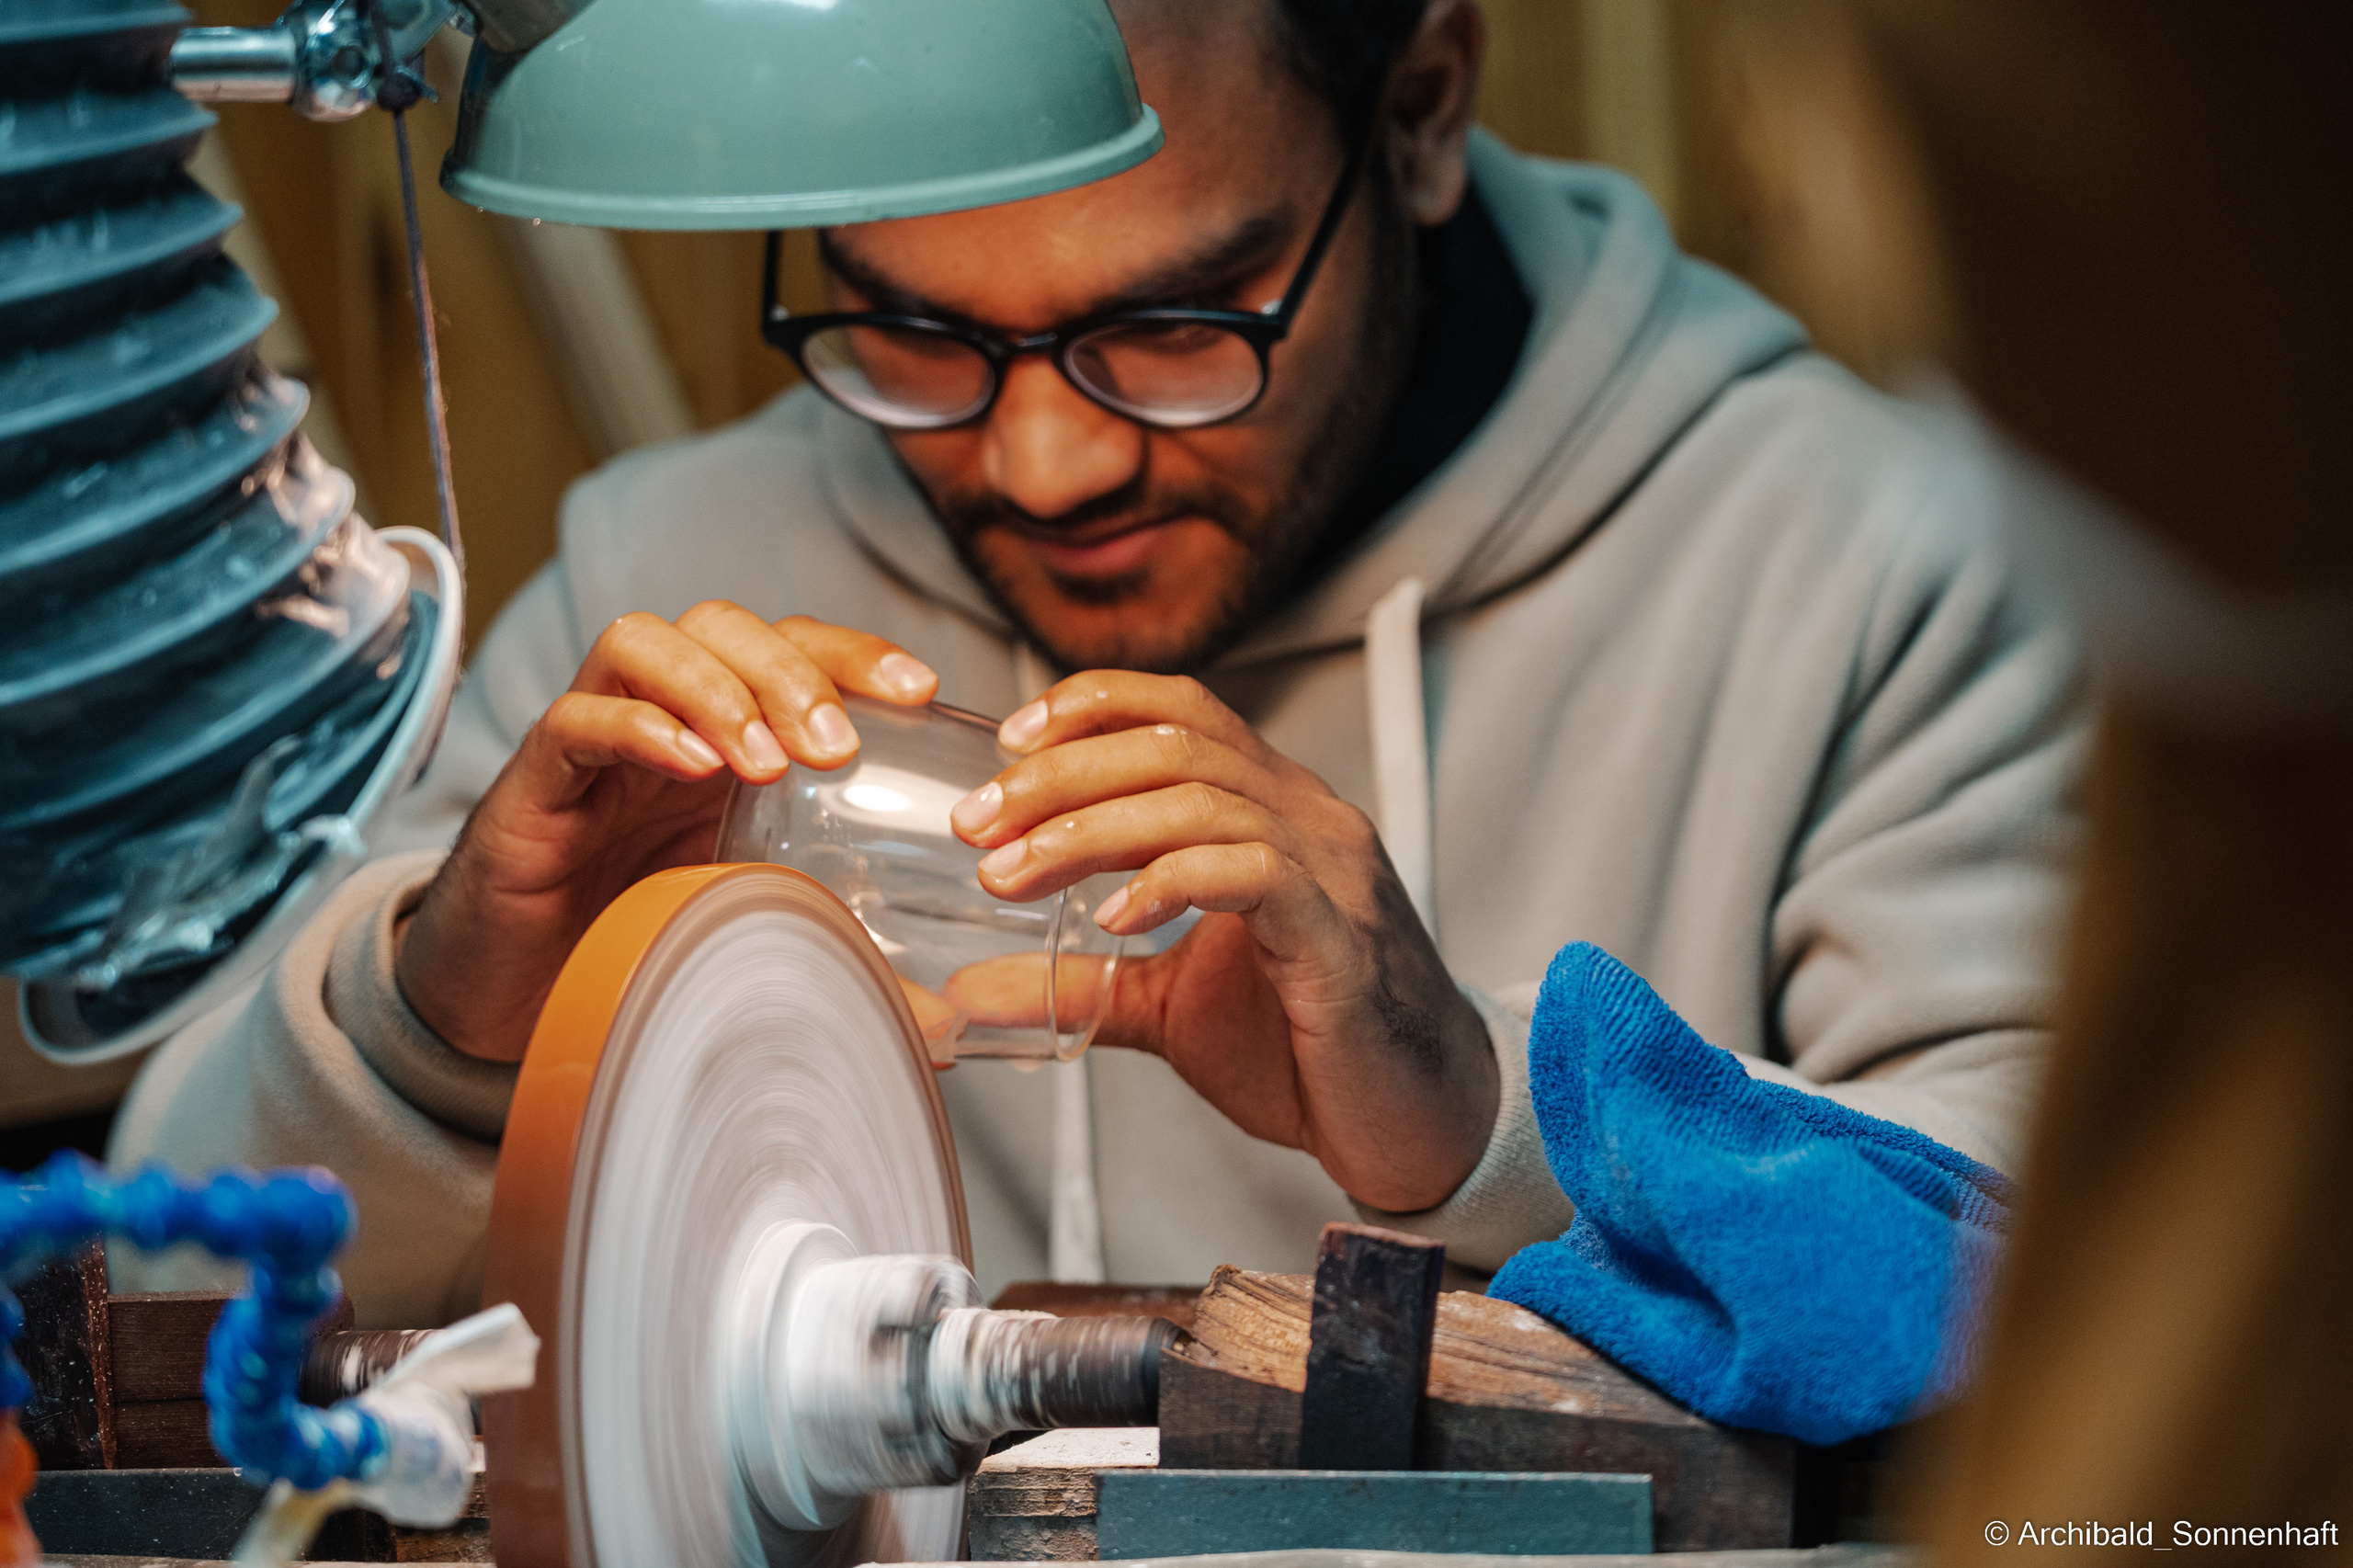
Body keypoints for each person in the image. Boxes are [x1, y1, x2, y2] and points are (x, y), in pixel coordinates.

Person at [111, 0, 2083, 1328]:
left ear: (1417, 110)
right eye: (909, 332)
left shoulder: (1864, 559)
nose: (1042, 464)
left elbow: (2059, 1307)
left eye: (1172, 325)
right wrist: (445, 1020)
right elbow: (161, 1281)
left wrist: (1488, 1112)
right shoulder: (675, 575)